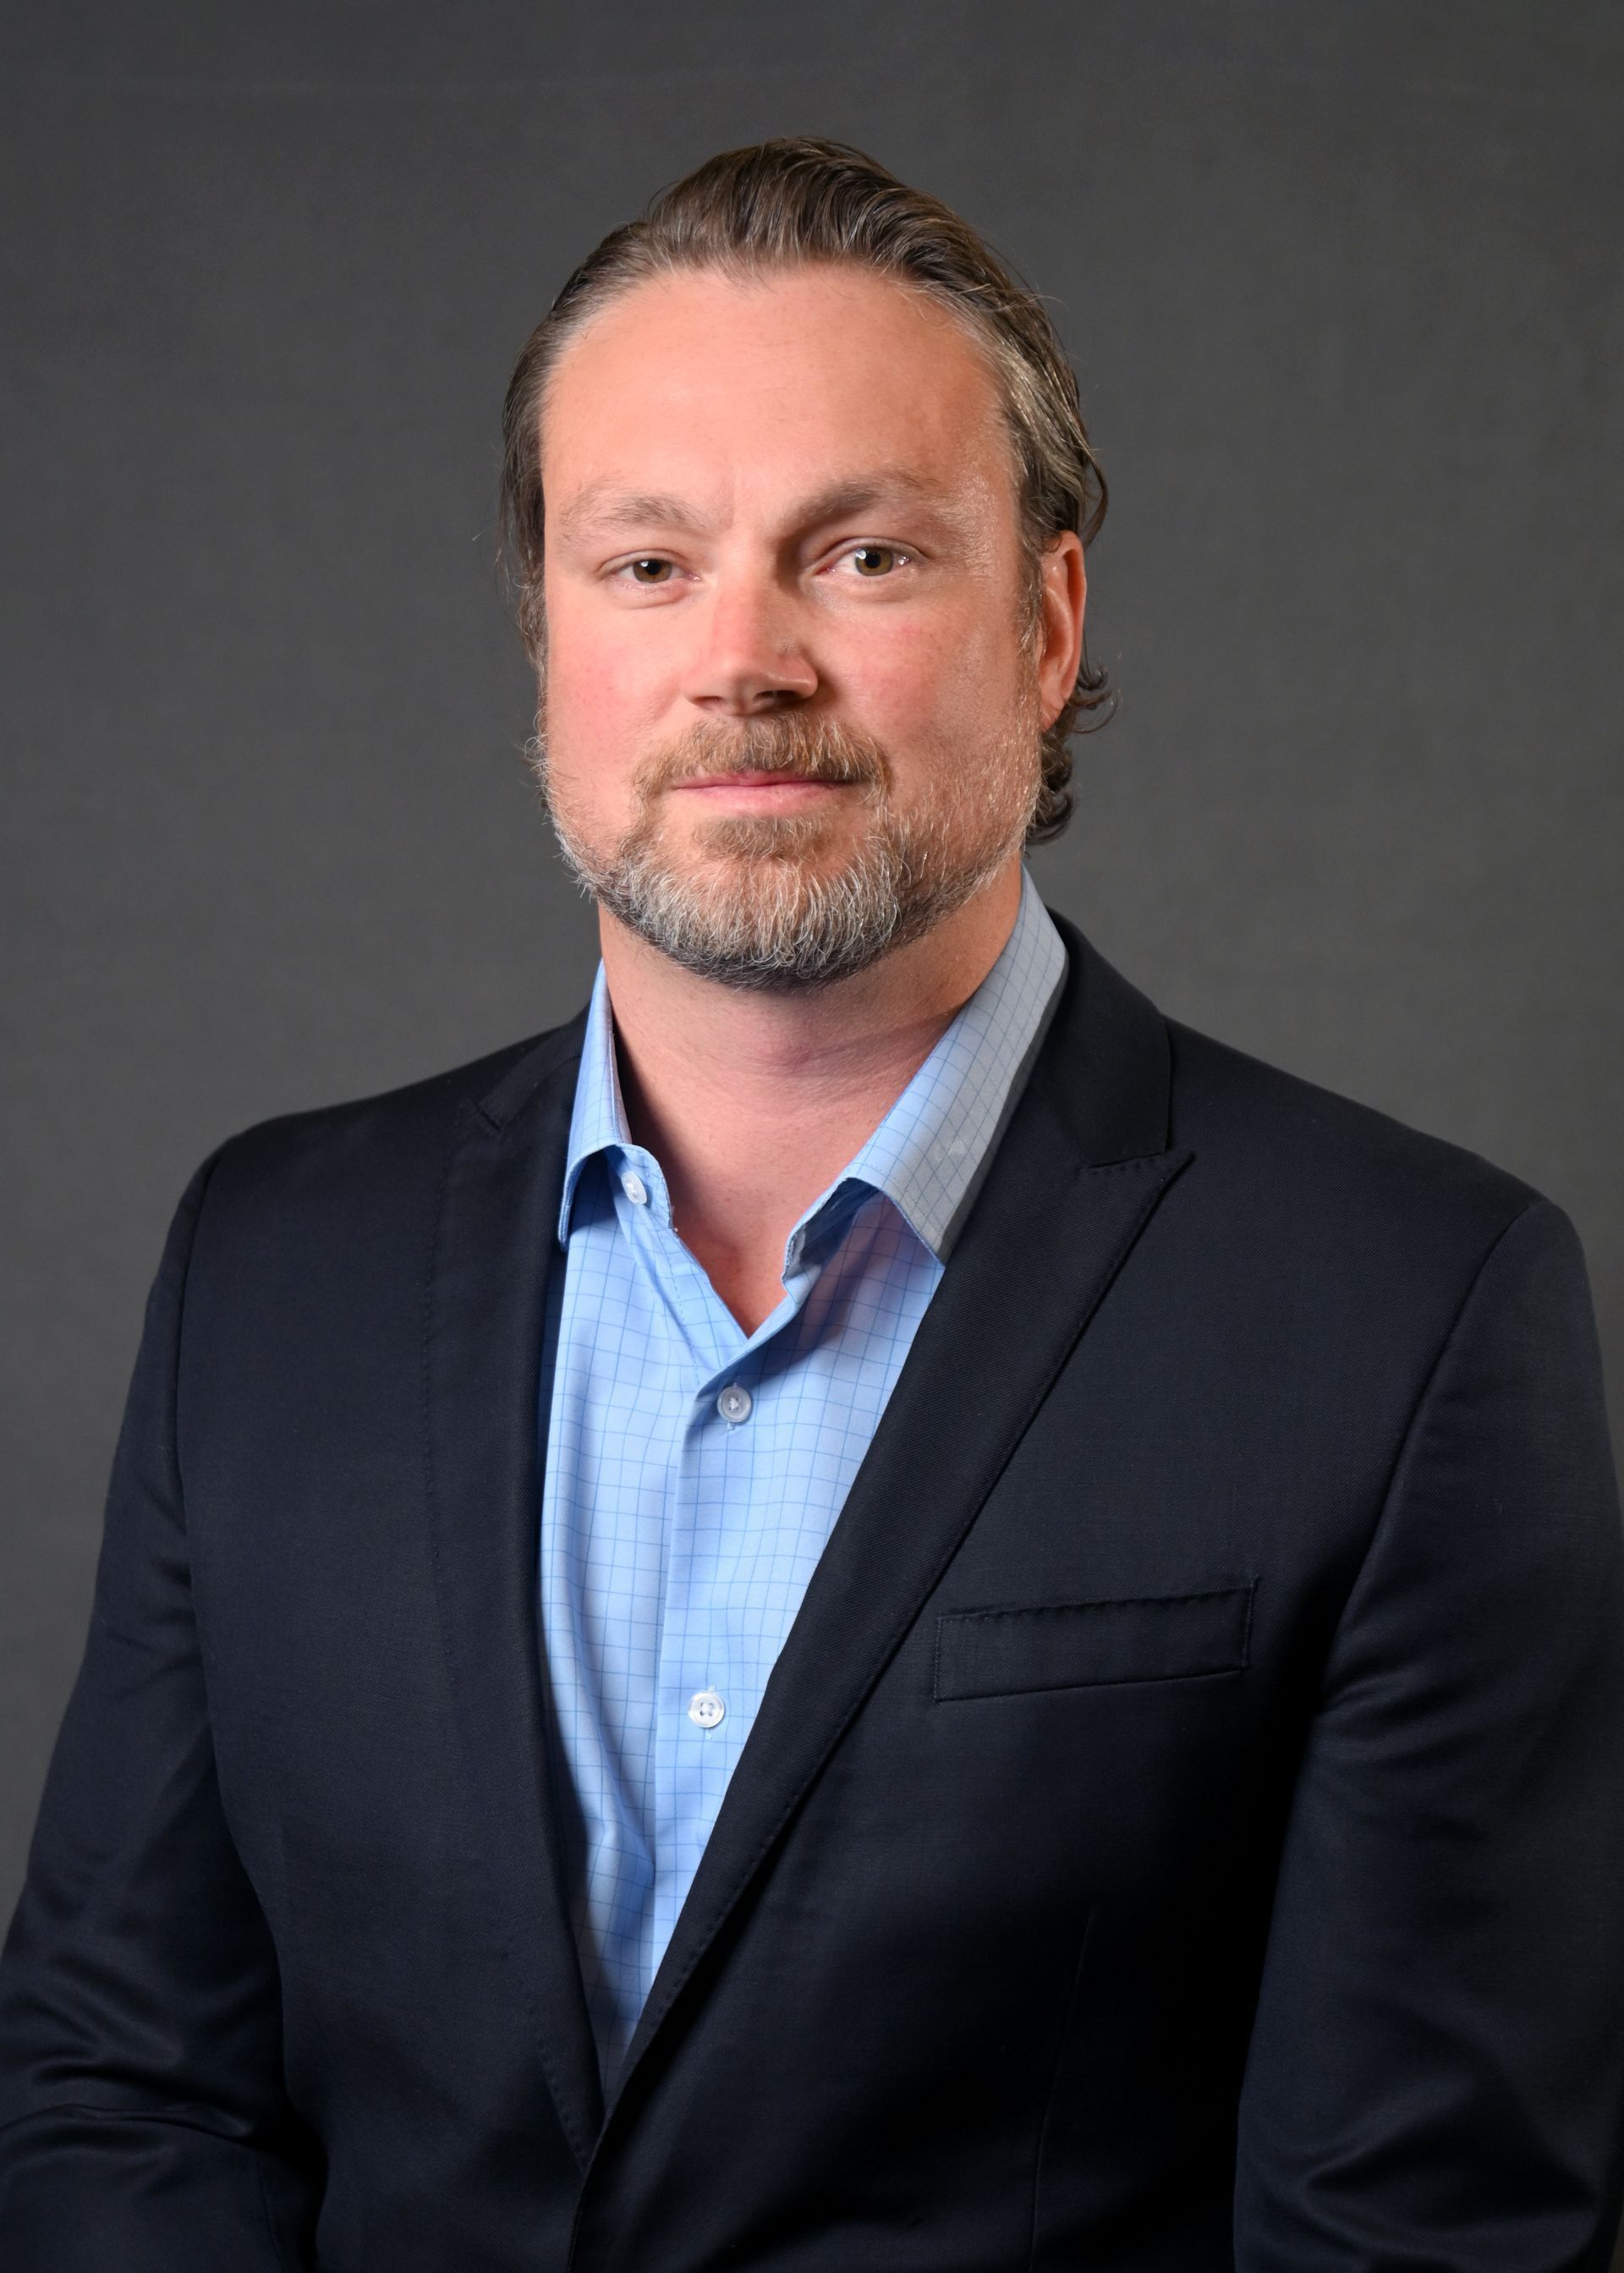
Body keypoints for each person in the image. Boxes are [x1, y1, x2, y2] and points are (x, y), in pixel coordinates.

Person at [1, 136, 1621, 2273]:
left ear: (1046, 627)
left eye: (861, 555)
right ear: (548, 633)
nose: (743, 658)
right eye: (647, 562)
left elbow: (1414, 2239)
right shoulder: (272, 1264)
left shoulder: (1410, 1314)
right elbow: (127, 2087)